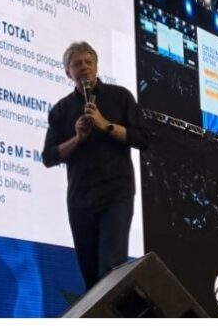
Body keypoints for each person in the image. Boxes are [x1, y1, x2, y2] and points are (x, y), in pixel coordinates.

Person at [42, 41, 148, 291]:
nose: (84, 67)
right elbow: (49, 157)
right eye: (77, 64)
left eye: (89, 62)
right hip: (80, 199)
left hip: (116, 194)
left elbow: (143, 138)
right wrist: (77, 139)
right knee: (91, 280)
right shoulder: (61, 110)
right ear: (68, 72)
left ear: (97, 66)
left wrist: (106, 125)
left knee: (110, 270)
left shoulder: (120, 97)